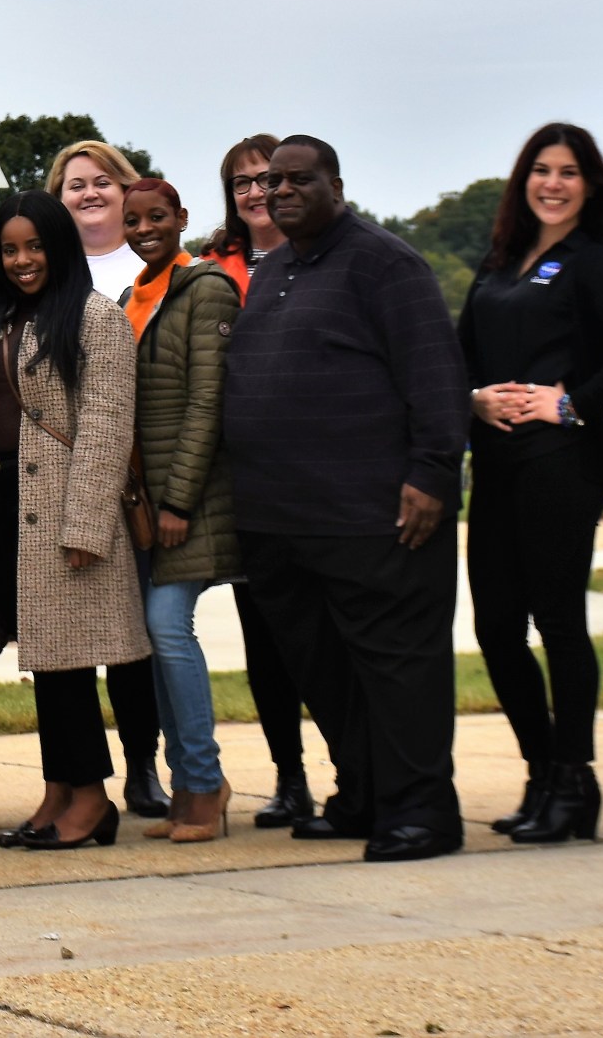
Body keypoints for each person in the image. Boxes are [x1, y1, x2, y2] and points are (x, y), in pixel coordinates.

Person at [224, 136, 468, 863]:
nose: (281, 191)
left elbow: (436, 376)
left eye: (300, 178)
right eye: (272, 181)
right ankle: (363, 792)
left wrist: (430, 476)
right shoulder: (274, 272)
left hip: (373, 519)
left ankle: (424, 810)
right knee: (326, 672)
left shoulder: (385, 263)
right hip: (282, 523)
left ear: (336, 183)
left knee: (399, 671)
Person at [461, 124, 603, 844]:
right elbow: (461, 355)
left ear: (590, 185)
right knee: (495, 626)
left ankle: (576, 780)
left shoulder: (592, 263)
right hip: (498, 463)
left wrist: (571, 401)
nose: (553, 183)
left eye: (569, 172)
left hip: (562, 465)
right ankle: (541, 772)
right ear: (524, 181)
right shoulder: (500, 262)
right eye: (541, 170)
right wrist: (474, 398)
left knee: (558, 619)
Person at [0, 192, 148, 851]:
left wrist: (86, 524)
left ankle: (92, 799)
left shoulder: (97, 317)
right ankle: (57, 790)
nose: (21, 259)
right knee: (45, 659)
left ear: (60, 247)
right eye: (10, 248)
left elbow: (105, 421)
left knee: (68, 661)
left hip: (61, 512)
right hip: (3, 502)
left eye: (34, 245)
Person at [45, 139, 165, 819]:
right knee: (69, 641)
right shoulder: (53, 274)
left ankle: (144, 764)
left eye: (102, 182)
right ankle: (75, 773)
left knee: (136, 637)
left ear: (128, 191)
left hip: (136, 483)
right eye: (74, 185)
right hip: (64, 477)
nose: (89, 193)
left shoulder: (149, 270)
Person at [199, 134, 315, 829]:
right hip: (243, 482)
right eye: (241, 182)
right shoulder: (213, 268)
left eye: (267, 179)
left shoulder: (320, 257)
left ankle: (357, 767)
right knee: (265, 641)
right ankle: (290, 776)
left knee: (323, 637)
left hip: (316, 477)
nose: (255, 193)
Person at [122, 178, 240, 844]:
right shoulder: (132, 296)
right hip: (143, 504)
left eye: (157, 217)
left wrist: (178, 500)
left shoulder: (207, 289)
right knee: (153, 637)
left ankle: (203, 781)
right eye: (133, 218)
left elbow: (207, 401)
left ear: (181, 218)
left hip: (183, 502)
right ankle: (187, 784)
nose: (144, 228)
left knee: (168, 629)